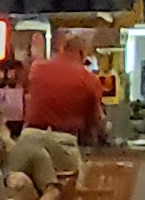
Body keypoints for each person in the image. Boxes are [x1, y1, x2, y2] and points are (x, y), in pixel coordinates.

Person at [21, 32, 107, 173]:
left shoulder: (37, 68)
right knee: (67, 184)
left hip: (30, 140)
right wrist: (105, 135)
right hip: (63, 144)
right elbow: (96, 119)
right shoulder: (88, 79)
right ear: (81, 53)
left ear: (62, 49)